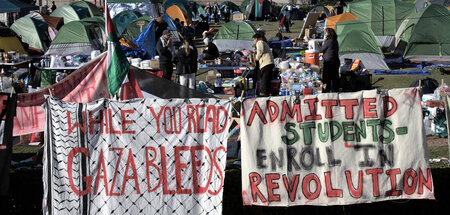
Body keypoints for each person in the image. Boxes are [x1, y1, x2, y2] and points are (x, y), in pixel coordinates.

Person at [319, 28, 340, 93]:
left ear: (329, 33)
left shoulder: (328, 41)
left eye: (325, 33)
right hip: (335, 61)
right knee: (335, 77)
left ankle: (326, 91)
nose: (324, 34)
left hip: (329, 62)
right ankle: (336, 90)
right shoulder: (335, 41)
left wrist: (318, 45)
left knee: (326, 78)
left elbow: (321, 50)